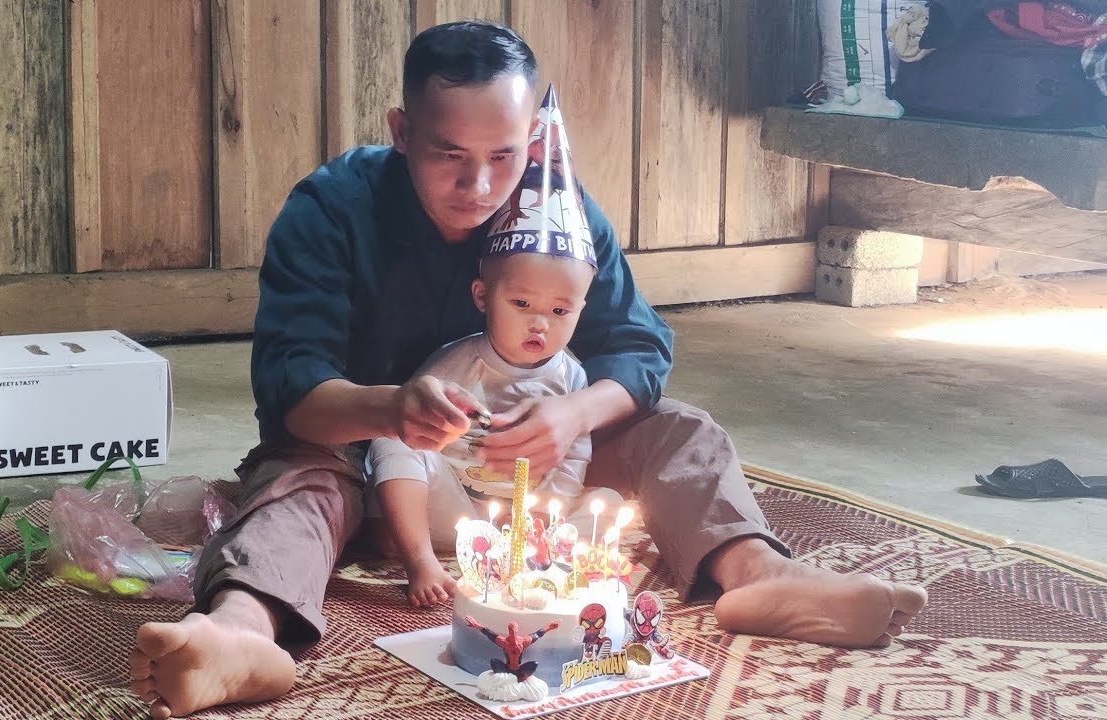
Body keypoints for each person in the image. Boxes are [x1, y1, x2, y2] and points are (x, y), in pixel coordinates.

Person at [128, 20, 928, 720]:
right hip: (371, 473)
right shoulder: (331, 209)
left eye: (503, 156)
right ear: (401, 131)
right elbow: (291, 390)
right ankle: (236, 634)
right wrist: (390, 410)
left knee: (681, 430)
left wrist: (571, 417)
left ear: (531, 142)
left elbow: (638, 348)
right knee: (299, 484)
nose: (480, 188)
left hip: (544, 476)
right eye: (449, 156)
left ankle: (759, 575)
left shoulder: (550, 202)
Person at [365, 220, 622, 608]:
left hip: (524, 525)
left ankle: (540, 562)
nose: (540, 323)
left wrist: (538, 525)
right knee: (391, 439)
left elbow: (574, 456)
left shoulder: (572, 378)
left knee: (608, 501)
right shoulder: (457, 362)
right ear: (482, 296)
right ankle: (418, 555)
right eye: (521, 304)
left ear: (579, 311)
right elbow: (414, 426)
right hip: (455, 510)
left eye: (559, 310)